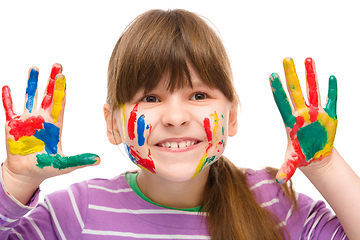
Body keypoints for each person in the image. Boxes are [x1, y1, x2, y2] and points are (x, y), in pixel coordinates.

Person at [0, 9, 359, 240]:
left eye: (199, 96)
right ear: (112, 124)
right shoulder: (78, 212)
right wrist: (17, 181)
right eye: (151, 98)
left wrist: (324, 165)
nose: (175, 117)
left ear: (232, 117)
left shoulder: (275, 205)